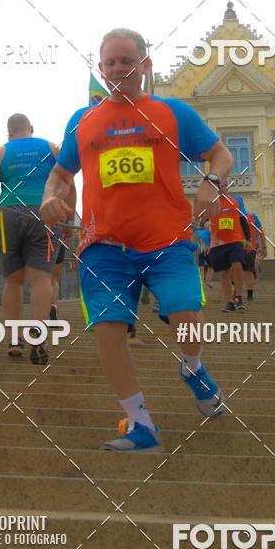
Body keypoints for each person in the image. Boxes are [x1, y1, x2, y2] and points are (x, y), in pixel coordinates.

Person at [40, 28, 234, 452]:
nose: (118, 69)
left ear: (145, 65)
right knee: (109, 330)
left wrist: (211, 182)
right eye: (109, 63)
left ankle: (192, 368)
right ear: (100, 69)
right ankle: (141, 424)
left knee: (187, 320)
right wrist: (50, 198)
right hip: (103, 247)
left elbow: (221, 154)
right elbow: (59, 174)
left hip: (167, 241)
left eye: (126, 61)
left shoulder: (172, 112)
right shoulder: (83, 120)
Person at [0, 114, 75, 364]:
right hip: (44, 213)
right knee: (42, 278)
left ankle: (13, 339)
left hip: (8, 213)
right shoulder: (51, 148)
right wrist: (69, 222)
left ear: (8, 133)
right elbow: (70, 184)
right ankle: (39, 336)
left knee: (13, 282)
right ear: (31, 129)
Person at [208, 192, 250, 312]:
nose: (221, 188)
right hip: (218, 243)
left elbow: (243, 220)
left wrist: (248, 239)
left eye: (224, 185)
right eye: (218, 186)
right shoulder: (211, 202)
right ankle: (229, 303)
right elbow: (202, 218)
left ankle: (239, 297)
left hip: (235, 240)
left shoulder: (237, 201)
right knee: (224, 273)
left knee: (237, 265)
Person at [244, 211, 266, 302]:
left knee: (248, 272)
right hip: (235, 247)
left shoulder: (253, 217)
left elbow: (261, 232)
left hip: (250, 248)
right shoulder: (232, 215)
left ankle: (249, 295)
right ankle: (237, 292)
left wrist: (264, 247)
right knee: (235, 271)